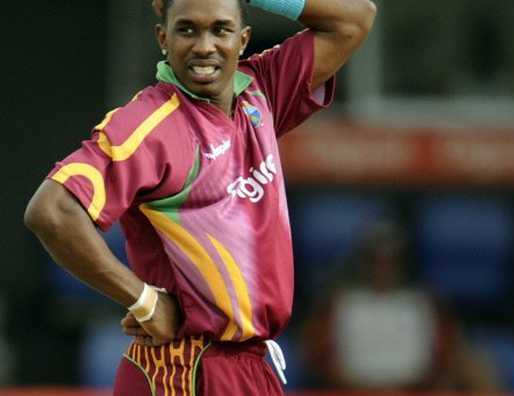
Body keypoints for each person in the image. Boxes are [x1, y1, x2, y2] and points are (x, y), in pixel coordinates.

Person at [23, 0, 376, 394]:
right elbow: (52, 211)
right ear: (163, 38)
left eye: (221, 30)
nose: (204, 46)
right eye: (187, 29)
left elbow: (355, 18)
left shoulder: (262, 91)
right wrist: (142, 300)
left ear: (243, 40)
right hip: (187, 369)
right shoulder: (148, 124)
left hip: (251, 365)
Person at [301, 220, 501, 392]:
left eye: (390, 260)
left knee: (477, 365)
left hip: (414, 392)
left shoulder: (425, 303)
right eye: (376, 261)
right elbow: (316, 357)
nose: (383, 268)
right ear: (364, 261)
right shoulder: (337, 304)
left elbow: (447, 357)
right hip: (351, 392)